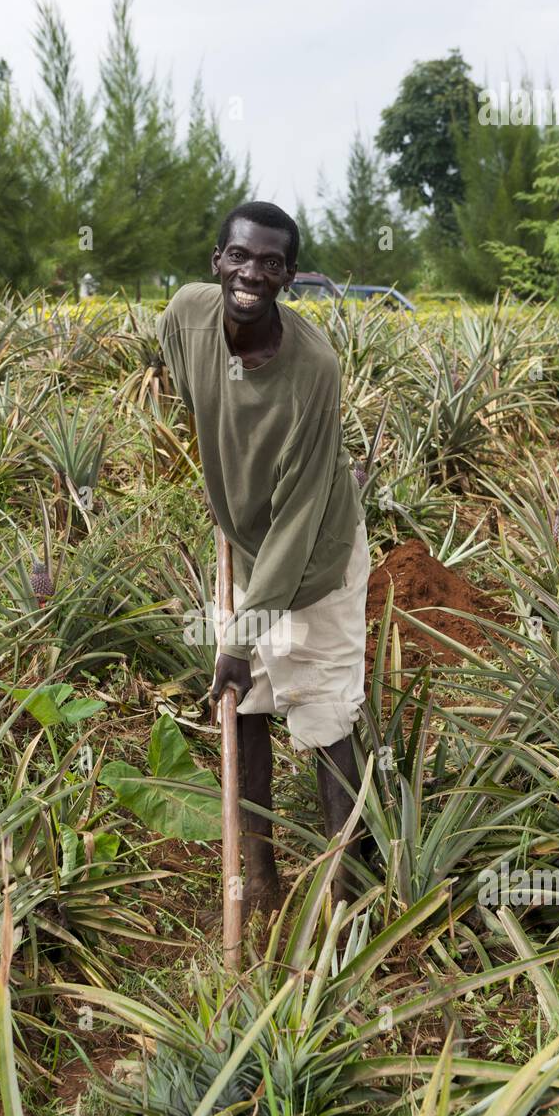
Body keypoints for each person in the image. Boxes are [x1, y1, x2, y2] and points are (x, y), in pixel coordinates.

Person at [156, 201, 370, 917]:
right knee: (243, 705)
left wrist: (244, 638)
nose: (252, 274)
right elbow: (188, 382)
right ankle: (259, 875)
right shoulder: (187, 313)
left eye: (271, 264)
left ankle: (348, 890)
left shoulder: (313, 369)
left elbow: (298, 519)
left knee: (322, 714)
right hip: (247, 549)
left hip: (315, 561)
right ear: (216, 260)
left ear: (288, 277)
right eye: (240, 257)